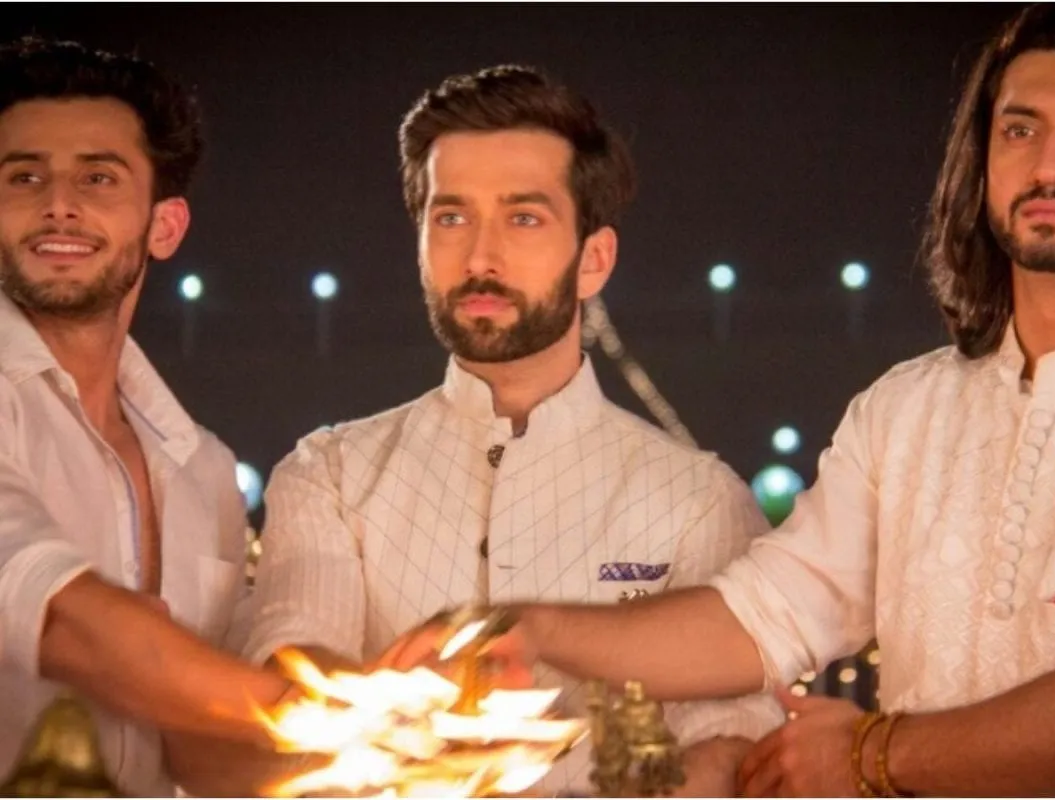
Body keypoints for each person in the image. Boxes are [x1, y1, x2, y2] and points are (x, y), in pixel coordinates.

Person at [387, 6, 1055, 796]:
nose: (1049, 166)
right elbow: (764, 616)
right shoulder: (907, 414)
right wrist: (532, 628)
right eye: (1020, 129)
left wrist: (872, 757)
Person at [237, 64, 782, 797]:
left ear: (594, 259)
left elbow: (732, 735)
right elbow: (292, 665)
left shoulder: (698, 499)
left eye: (523, 217)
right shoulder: (331, 475)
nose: (480, 256)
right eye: (451, 217)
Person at [0, 36, 292, 797]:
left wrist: (400, 759)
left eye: (98, 176)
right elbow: (54, 615)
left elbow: (198, 749)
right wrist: (340, 715)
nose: (57, 203)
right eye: (23, 176)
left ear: (164, 227)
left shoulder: (202, 468)